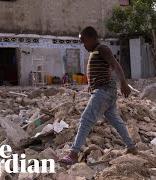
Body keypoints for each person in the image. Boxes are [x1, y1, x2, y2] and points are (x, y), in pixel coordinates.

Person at [59, 26, 138, 165]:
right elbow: (99, 71)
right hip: (105, 90)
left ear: (93, 38)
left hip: (104, 90)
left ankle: (73, 154)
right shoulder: (94, 51)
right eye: (81, 42)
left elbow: (115, 65)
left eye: (85, 41)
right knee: (116, 121)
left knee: (86, 119)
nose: (83, 45)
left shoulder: (102, 48)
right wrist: (91, 84)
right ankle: (131, 148)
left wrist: (124, 83)